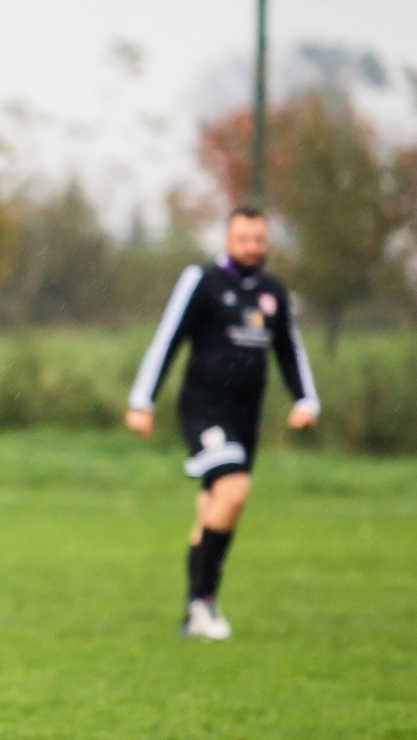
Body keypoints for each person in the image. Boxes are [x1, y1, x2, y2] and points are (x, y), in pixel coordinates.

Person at [125, 205, 321, 639]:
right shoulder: (203, 282)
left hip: (245, 415)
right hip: (204, 409)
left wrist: (306, 399)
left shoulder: (273, 292)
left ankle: (194, 613)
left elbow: (289, 350)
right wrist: (143, 400)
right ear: (227, 241)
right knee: (234, 490)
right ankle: (203, 604)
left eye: (259, 240)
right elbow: (168, 338)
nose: (252, 248)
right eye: (243, 239)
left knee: (215, 510)